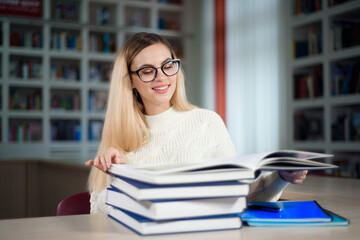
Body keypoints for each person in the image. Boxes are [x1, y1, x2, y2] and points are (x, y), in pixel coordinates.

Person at [85, 32, 308, 214]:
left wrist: (280, 177)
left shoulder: (206, 122)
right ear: (131, 81)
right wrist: (123, 175)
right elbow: (99, 213)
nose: (161, 77)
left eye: (167, 65)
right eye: (147, 71)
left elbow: (242, 194)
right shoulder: (120, 138)